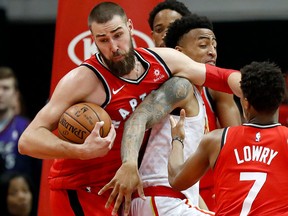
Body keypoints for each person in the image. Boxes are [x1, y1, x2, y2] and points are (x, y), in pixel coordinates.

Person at [18, 2, 241, 215]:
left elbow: (222, 77)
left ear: (130, 27)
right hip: (81, 189)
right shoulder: (82, 80)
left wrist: (259, 88)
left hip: (122, 189)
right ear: (93, 39)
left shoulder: (162, 62)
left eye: (117, 35)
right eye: (103, 40)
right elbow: (28, 140)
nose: (113, 47)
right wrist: (80, 151)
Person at [168, 61, 288, 215]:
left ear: (245, 103)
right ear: (280, 99)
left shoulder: (217, 140)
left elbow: (176, 180)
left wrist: (177, 140)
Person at [164, 14, 241, 211]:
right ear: (177, 51)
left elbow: (236, 145)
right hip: (173, 189)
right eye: (203, 45)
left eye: (213, 45)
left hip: (208, 187)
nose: (212, 52)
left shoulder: (214, 89)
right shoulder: (173, 89)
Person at [0, 67, 42, 208]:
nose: (0, 93)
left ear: (15, 94)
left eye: (5, 88)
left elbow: (39, 173)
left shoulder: (27, 129)